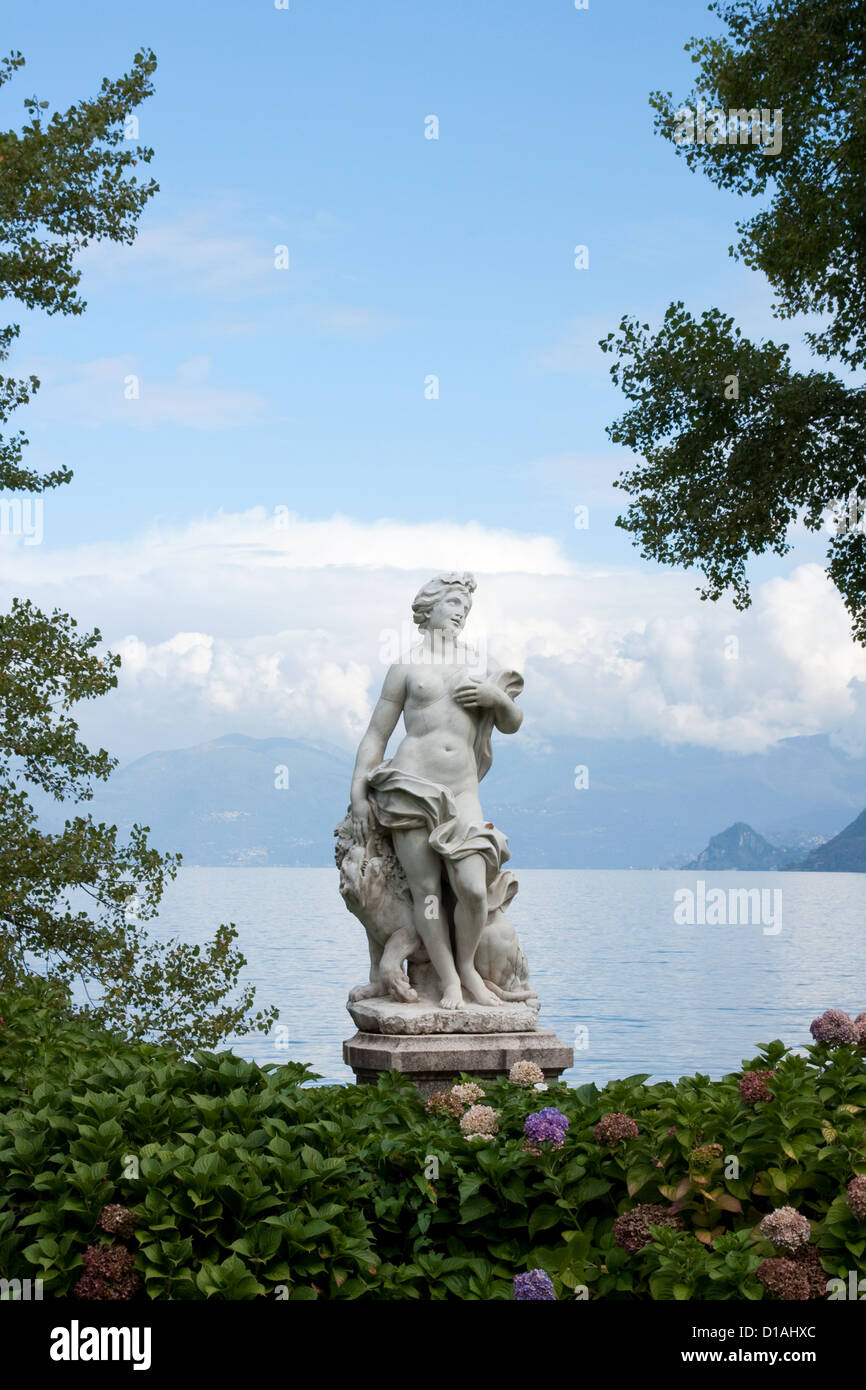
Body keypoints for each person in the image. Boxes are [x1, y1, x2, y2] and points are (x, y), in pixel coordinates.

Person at [349, 572, 523, 1009]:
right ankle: (448, 980)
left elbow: (512, 721)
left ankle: (467, 968)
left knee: (473, 887)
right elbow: (376, 735)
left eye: (466, 605)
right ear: (428, 609)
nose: (461, 611)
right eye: (452, 603)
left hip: (461, 789)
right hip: (409, 787)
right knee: (426, 892)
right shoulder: (405, 667)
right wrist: (357, 794)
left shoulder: (481, 665)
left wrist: (494, 697)